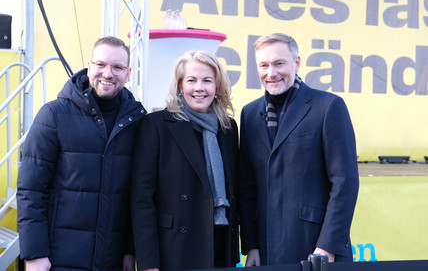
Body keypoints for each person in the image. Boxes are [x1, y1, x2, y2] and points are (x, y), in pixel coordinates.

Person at [16, 36, 146, 271]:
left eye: (117, 67)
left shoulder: (137, 121)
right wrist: (35, 253)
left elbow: (135, 197)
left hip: (112, 261)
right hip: (58, 259)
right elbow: (31, 190)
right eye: (101, 65)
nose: (108, 73)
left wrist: (130, 249)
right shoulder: (53, 115)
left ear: (127, 74)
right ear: (89, 67)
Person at [239, 33, 359, 266]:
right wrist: (251, 245)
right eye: (263, 65)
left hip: (316, 248)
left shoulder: (329, 106)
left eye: (279, 63)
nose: (271, 73)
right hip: (265, 250)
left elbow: (344, 183)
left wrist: (327, 246)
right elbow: (247, 185)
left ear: (296, 63)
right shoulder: (249, 114)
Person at [131, 50, 239, 271]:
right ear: (180, 85)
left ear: (217, 86)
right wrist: (147, 261)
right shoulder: (156, 125)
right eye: (191, 80)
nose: (199, 88)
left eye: (207, 80)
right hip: (173, 249)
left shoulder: (228, 128)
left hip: (218, 244)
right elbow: (141, 198)